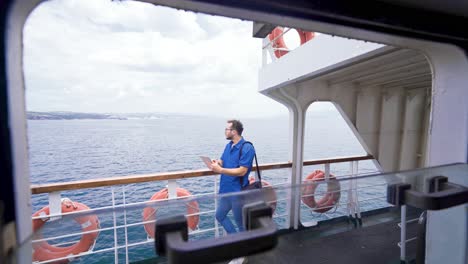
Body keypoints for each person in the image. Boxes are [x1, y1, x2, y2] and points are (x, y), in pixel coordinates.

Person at [210, 120, 254, 264]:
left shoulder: (247, 148)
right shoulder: (229, 146)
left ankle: (241, 252)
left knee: (240, 223)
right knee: (220, 215)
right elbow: (223, 161)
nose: (225, 131)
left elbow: (242, 171)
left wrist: (221, 170)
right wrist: (217, 163)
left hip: (237, 192)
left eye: (227, 129)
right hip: (225, 190)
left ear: (234, 131)